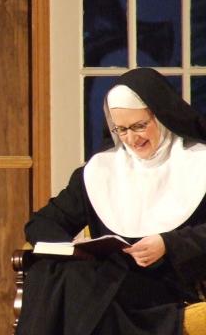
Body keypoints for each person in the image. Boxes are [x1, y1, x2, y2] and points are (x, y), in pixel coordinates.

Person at [16, 67, 206, 335]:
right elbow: (42, 222)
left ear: (162, 116)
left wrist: (168, 244)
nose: (132, 138)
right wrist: (74, 249)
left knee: (78, 286)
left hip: (169, 283)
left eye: (139, 126)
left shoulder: (199, 164)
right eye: (121, 129)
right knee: (52, 270)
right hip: (109, 279)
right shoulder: (102, 170)